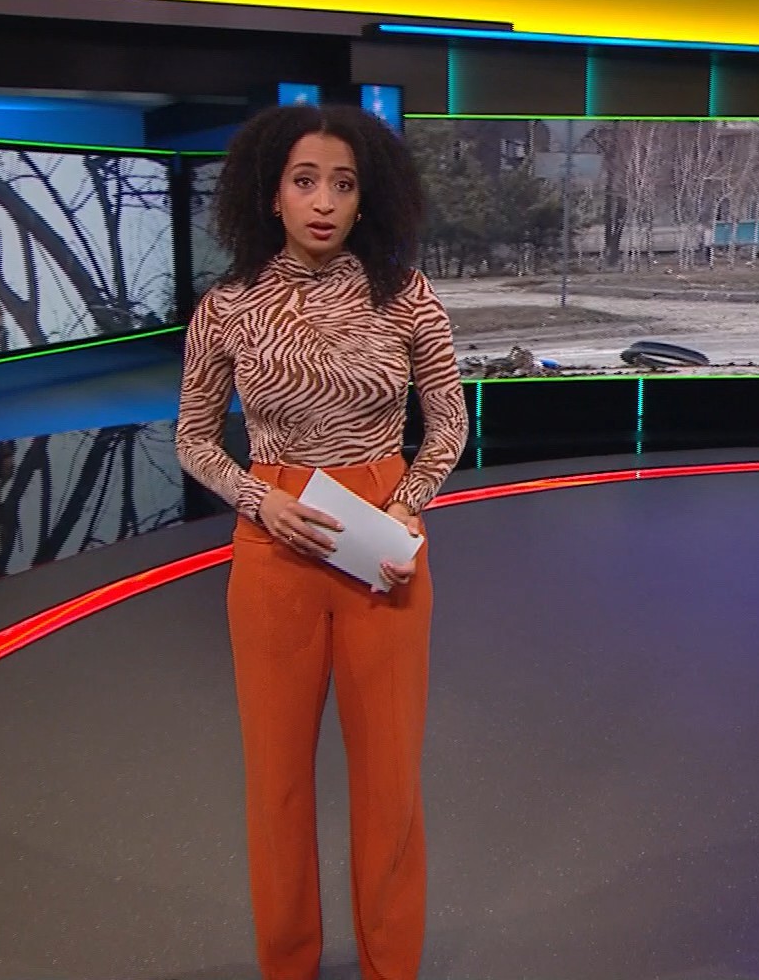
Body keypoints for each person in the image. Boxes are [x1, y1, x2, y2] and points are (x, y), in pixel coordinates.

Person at [175, 102, 469, 980]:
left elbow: (448, 422)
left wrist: (408, 503)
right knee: (275, 781)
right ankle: (288, 964)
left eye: (343, 184)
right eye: (305, 181)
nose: (324, 201)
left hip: (382, 539)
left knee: (390, 781)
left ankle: (391, 966)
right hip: (274, 542)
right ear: (271, 194)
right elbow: (194, 437)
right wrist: (257, 500)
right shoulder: (227, 308)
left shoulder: (408, 296)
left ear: (365, 197)